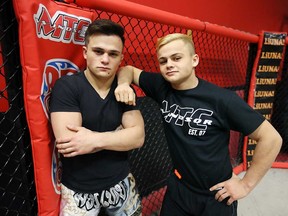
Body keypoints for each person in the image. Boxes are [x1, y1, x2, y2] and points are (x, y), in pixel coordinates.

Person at [114, 33, 282, 216]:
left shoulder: (222, 100)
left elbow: (271, 138)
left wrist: (245, 184)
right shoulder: (161, 86)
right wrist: (123, 85)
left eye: (177, 58)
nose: (169, 64)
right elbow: (128, 70)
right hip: (179, 187)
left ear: (194, 60)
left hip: (216, 194)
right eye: (163, 61)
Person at [49, 19, 145, 216]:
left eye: (113, 54)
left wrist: (93, 139)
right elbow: (71, 145)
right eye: (98, 51)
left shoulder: (124, 90)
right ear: (85, 52)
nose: (105, 59)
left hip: (120, 181)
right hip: (78, 189)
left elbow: (137, 137)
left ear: (121, 58)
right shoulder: (67, 87)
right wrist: (119, 136)